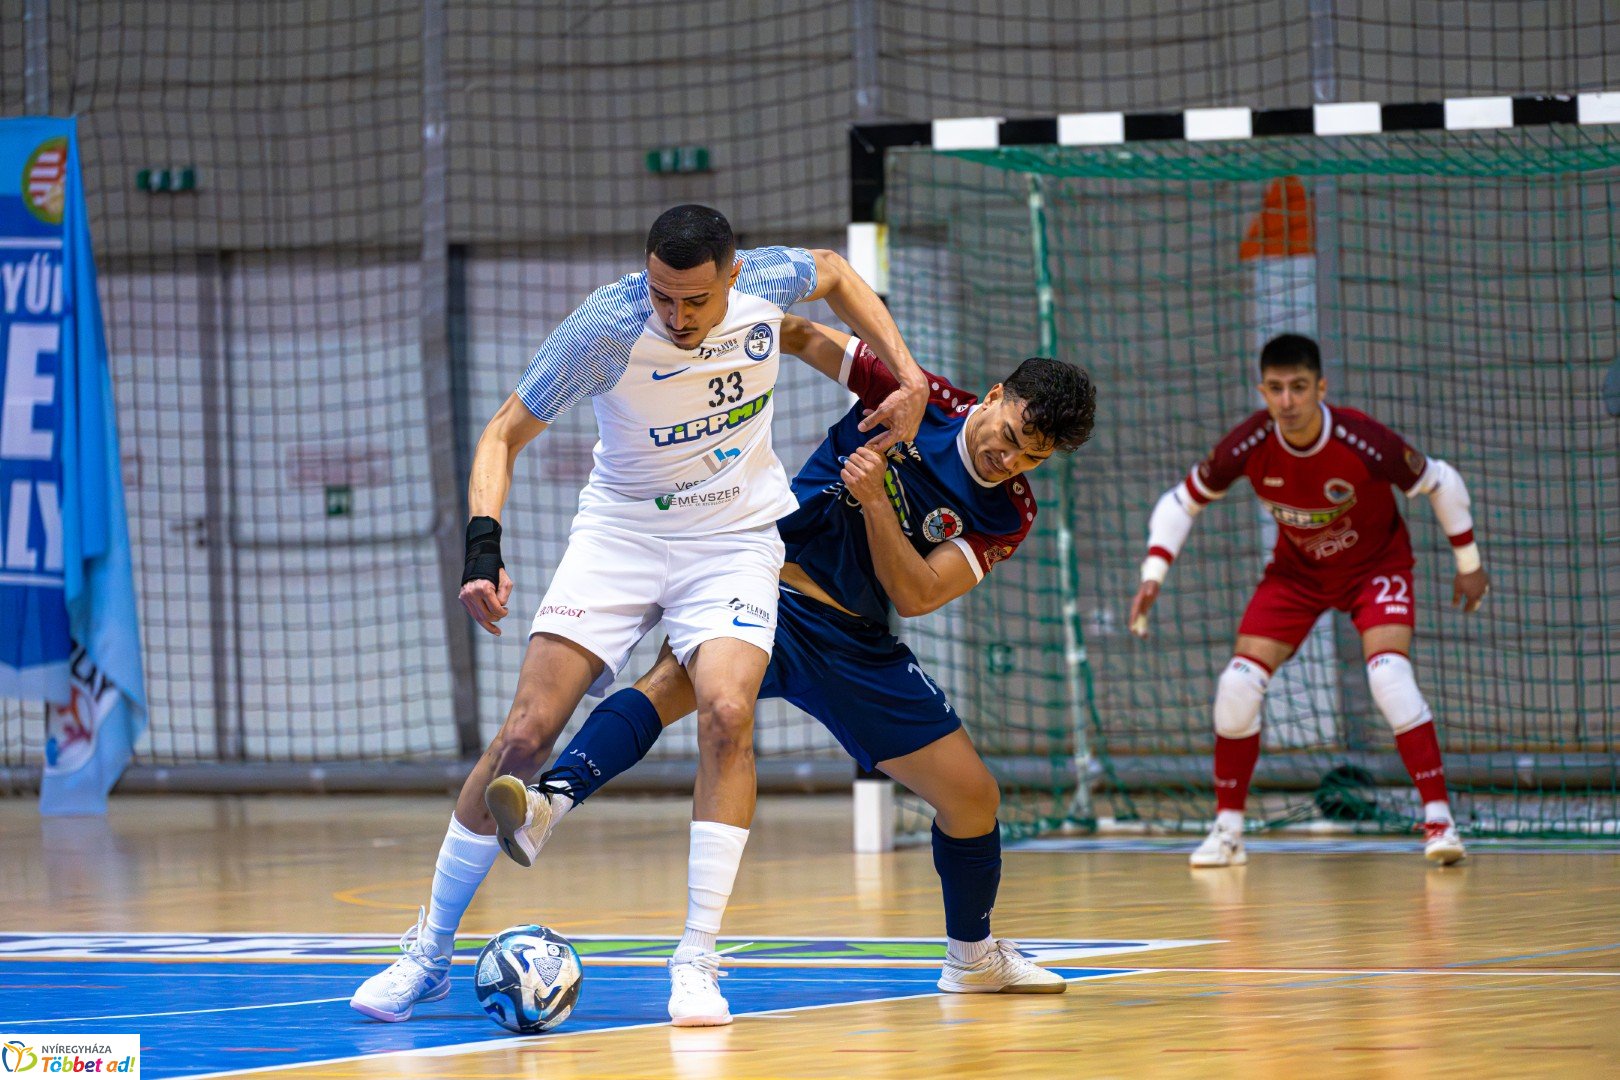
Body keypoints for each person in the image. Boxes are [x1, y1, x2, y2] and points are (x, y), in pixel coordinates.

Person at [350, 205, 928, 1022]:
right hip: (620, 536)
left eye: (695, 300)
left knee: (727, 713)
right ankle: (428, 953)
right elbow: (502, 434)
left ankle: (697, 960)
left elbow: (833, 270)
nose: (677, 316)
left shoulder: (765, 282)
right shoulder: (606, 326)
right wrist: (484, 549)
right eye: (663, 296)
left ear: (733, 276)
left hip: (731, 541)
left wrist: (907, 375)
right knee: (524, 735)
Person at [489, 316, 1097, 1025]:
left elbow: (918, 595)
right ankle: (549, 803)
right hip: (761, 586)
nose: (1009, 458)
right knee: (667, 689)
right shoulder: (913, 394)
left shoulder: (1008, 512)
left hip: (852, 641)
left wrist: (876, 502)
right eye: (1011, 434)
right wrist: (715, 333)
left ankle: (972, 958)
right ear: (993, 396)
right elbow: (803, 335)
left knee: (973, 798)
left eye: (1032, 457)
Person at [1127, 333, 1489, 868]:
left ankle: (1439, 821)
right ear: (1262, 391)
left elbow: (1442, 481)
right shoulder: (1248, 444)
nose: (1287, 400)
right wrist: (1154, 573)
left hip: (1375, 568)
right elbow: (1181, 502)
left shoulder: (1362, 439)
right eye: (1275, 388)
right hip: (1296, 576)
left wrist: (1469, 562)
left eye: (1298, 387)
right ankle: (1228, 832)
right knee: (1236, 686)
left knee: (1389, 675)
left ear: (1321, 388)